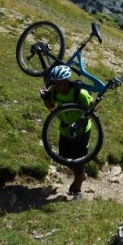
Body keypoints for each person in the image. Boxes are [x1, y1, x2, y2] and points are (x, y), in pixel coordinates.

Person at [39, 64, 93, 199]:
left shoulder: (79, 93)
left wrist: (83, 118)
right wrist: (45, 98)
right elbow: (50, 106)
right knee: (64, 158)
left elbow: (94, 105)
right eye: (55, 83)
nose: (56, 86)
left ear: (67, 82)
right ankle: (81, 176)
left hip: (82, 131)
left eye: (59, 83)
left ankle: (77, 190)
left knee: (79, 163)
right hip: (65, 130)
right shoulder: (54, 92)